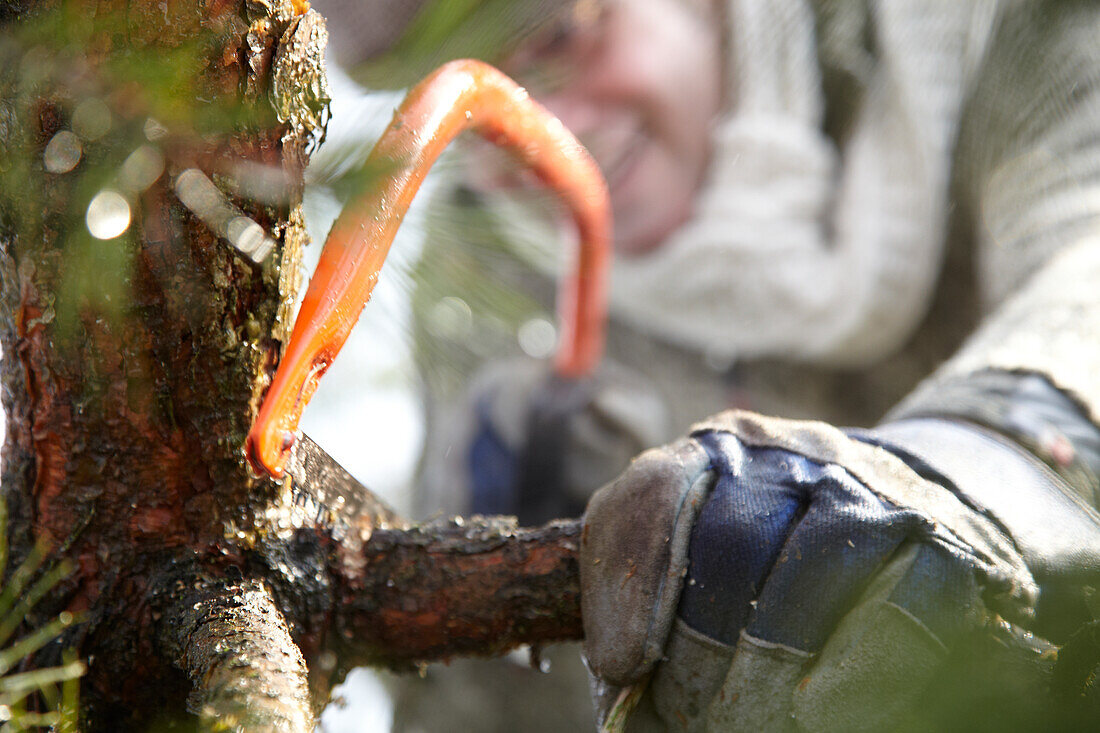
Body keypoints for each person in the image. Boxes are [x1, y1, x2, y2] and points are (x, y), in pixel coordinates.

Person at [314, 0, 1100, 730]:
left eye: (560, 40)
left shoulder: (985, 30)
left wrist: (968, 460)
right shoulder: (485, 262)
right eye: (468, 104)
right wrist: (512, 638)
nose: (546, 127)